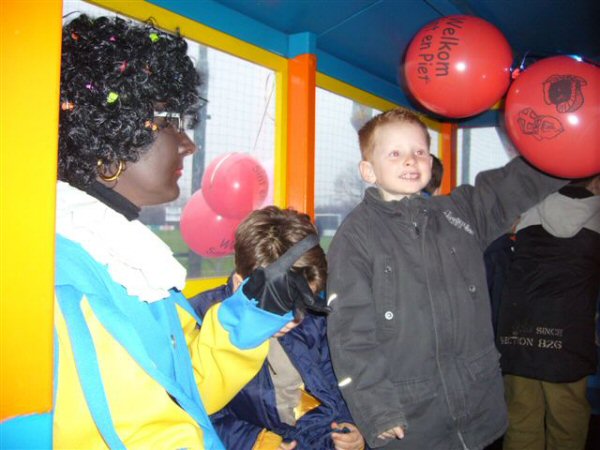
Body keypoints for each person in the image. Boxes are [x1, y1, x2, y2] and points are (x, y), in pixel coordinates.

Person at [53, 15, 306, 449]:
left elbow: (184, 388)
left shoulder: (118, 253)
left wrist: (251, 315)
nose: (188, 144)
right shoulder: (64, 275)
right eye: (168, 119)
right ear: (107, 135)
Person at [326, 108, 566, 449]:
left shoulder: (458, 214)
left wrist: (569, 150)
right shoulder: (355, 239)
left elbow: (513, 185)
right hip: (412, 421)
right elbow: (351, 336)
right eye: (395, 153)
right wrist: (378, 412)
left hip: (478, 408)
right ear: (368, 170)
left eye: (420, 151)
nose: (411, 160)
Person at [189, 206, 365, 450]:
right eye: (281, 307)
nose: (295, 319)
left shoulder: (314, 318)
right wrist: (255, 442)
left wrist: (353, 425)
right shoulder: (196, 319)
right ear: (241, 284)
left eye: (305, 302)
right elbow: (191, 412)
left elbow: (339, 378)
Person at [496, 174, 600, 450]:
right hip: (569, 334)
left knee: (520, 421)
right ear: (594, 181)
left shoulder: (529, 210)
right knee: (567, 425)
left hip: (518, 331)